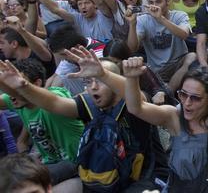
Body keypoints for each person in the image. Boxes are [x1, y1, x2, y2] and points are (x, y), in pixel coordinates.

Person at [0, 48, 168, 191]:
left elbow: (138, 100)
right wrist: (24, 87)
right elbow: (53, 103)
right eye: (88, 81)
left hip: (146, 177)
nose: (93, 86)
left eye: (100, 80)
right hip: (104, 177)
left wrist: (104, 74)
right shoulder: (90, 104)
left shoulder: (132, 100)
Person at [124, 59, 208, 192]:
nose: (187, 103)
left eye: (195, 98)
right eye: (183, 94)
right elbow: (135, 108)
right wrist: (131, 78)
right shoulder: (174, 118)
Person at [0, 59, 84, 187]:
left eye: (16, 83)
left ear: (37, 83)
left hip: (77, 161)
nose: (11, 92)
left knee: (21, 182)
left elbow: (24, 94)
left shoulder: (54, 95)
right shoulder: (16, 99)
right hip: (50, 162)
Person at [126, 0, 196, 91]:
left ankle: (168, 92)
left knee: (192, 56)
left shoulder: (179, 15)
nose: (154, 5)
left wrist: (161, 19)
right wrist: (132, 24)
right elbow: (132, 48)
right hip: (158, 69)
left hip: (179, 62)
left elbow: (184, 35)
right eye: (151, 2)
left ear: (168, 2)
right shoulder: (143, 20)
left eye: (158, 2)